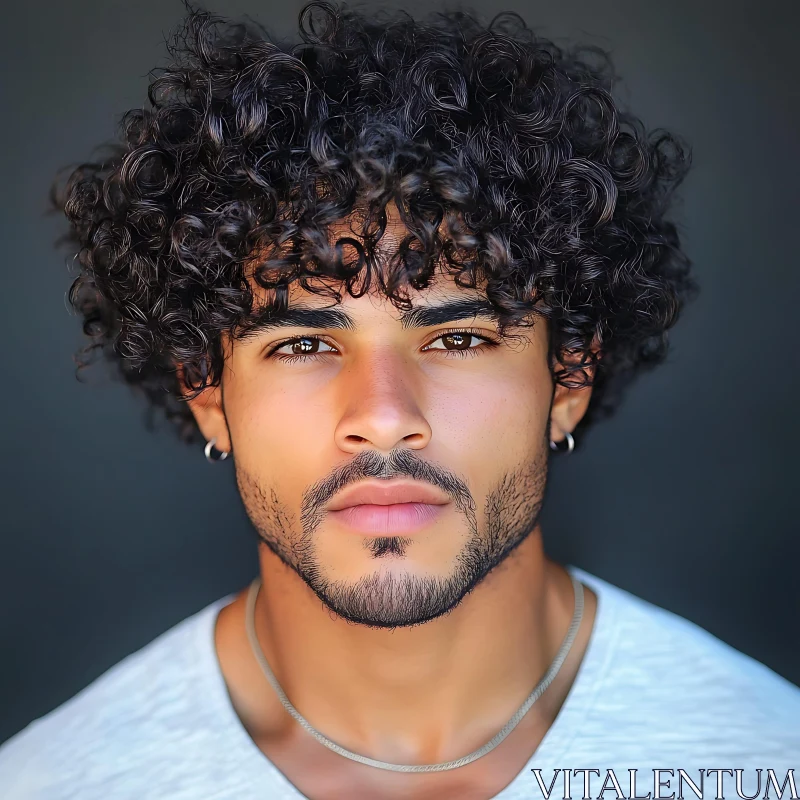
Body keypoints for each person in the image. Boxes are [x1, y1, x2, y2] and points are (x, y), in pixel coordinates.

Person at [1, 1, 797, 798]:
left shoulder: (768, 763)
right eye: (304, 344)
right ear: (208, 395)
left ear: (570, 378)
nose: (383, 416)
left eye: (458, 340)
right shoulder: (52, 784)